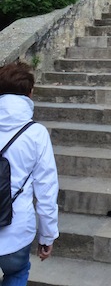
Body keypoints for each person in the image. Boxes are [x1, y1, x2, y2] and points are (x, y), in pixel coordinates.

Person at [0, 62, 59, 286]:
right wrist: (47, 236)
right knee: (16, 273)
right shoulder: (36, 133)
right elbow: (46, 190)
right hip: (16, 230)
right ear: (30, 93)